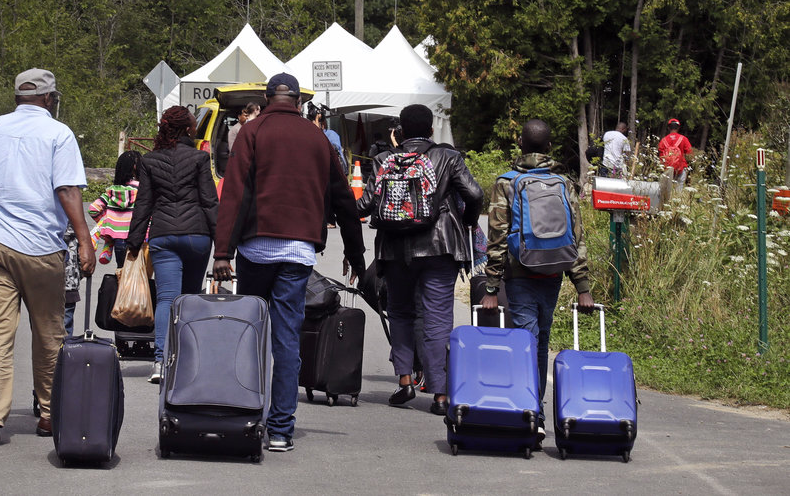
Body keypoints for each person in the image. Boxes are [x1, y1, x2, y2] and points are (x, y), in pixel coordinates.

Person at [212, 73, 366, 453]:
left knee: (251, 334)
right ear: (299, 102)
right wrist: (356, 254)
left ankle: (247, 417)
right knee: (286, 340)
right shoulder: (318, 138)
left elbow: (235, 193)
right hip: (298, 253)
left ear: (267, 99)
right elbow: (343, 198)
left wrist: (222, 252)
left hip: (255, 251)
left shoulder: (252, 132)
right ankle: (280, 429)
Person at [0, 68, 95, 448]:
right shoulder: (58, 133)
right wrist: (85, 241)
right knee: (49, 335)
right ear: (49, 98)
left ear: (17, 97)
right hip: (41, 249)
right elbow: (67, 189)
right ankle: (49, 414)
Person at [356, 103, 483, 416]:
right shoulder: (448, 157)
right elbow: (475, 194)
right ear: (431, 130)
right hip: (440, 248)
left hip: (394, 250)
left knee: (400, 313)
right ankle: (440, 394)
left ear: (400, 132)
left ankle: (405, 381)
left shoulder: (384, 159)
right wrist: (467, 221)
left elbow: (365, 204)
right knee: (437, 318)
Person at [481, 118, 594, 450]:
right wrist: (583, 286)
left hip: (520, 273)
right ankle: (534, 414)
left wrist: (491, 287)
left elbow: (497, 238)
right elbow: (576, 237)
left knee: (527, 343)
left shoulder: (506, 183)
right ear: (549, 147)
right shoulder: (564, 183)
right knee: (540, 342)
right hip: (553, 272)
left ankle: (533, 416)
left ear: (520, 144)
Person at [127, 106, 218, 384]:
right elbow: (209, 201)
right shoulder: (200, 158)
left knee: (167, 299)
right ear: (188, 129)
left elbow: (144, 203)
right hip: (197, 236)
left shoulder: (150, 160)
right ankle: (186, 362)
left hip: (163, 235)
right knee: (189, 299)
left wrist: (134, 242)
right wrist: (223, 246)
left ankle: (160, 362)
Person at [88, 150, 141, 267]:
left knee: (121, 272)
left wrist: (110, 221)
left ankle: (107, 248)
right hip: (137, 241)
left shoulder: (112, 191)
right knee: (136, 275)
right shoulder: (142, 190)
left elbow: (93, 209)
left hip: (118, 242)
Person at [658, 118, 693, 190]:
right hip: (681, 168)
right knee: (679, 189)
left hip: (667, 169)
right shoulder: (683, 139)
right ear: (678, 128)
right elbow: (690, 153)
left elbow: (661, 157)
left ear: (668, 128)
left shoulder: (663, 140)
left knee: (666, 190)